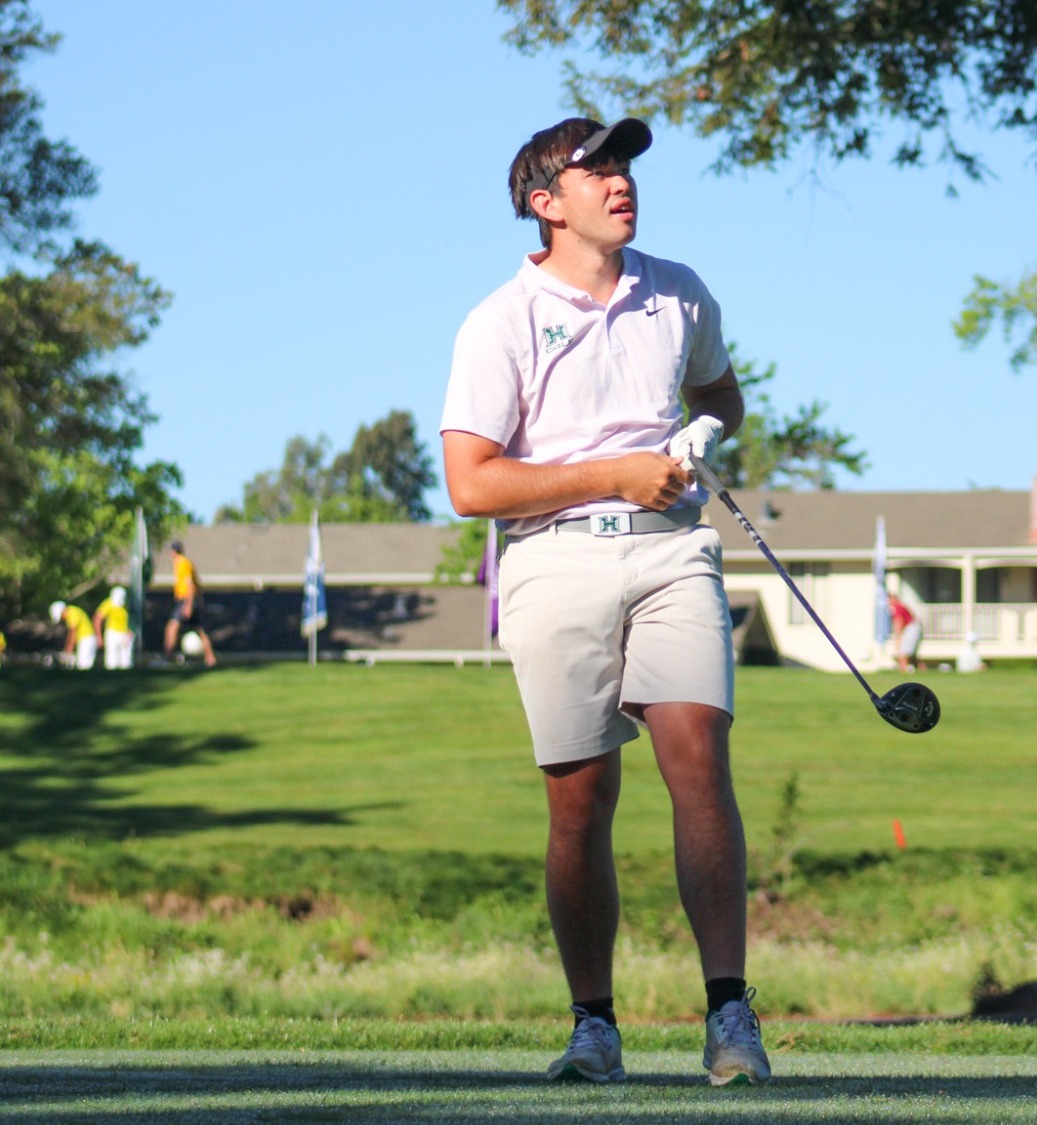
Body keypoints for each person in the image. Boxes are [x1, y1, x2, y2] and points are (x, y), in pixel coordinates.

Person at [439, 116, 767, 1087]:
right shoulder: (497, 320)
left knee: (697, 753)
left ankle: (728, 1015)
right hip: (552, 563)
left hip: (673, 552)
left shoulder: (678, 292)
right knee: (579, 802)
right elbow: (472, 484)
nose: (620, 180)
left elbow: (721, 396)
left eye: (624, 165)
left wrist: (700, 437)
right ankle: (594, 1025)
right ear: (545, 204)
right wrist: (615, 474)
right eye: (596, 170)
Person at [162, 540, 217, 667]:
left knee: (171, 628)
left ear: (174, 551)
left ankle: (167, 657)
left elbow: (190, 584)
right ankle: (210, 659)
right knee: (200, 631)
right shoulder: (181, 562)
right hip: (191, 599)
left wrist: (188, 605)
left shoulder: (182, 563)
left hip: (187, 599)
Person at [94, 587, 135, 670]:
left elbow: (131, 621)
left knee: (126, 660)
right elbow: (97, 618)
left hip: (125, 634)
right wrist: (99, 636)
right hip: (112, 633)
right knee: (111, 660)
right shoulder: (108, 603)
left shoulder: (126, 605)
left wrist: (129, 633)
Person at [50, 600, 97, 670]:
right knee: (83, 665)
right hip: (86, 640)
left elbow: (72, 635)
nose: (61, 619)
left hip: (87, 640)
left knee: (83, 666)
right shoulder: (72, 612)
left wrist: (68, 652)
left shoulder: (72, 614)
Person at [889, 593, 922, 673]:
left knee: (903, 654)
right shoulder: (901, 606)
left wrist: (898, 638)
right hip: (912, 628)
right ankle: (921, 669)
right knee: (912, 656)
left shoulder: (897, 607)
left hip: (911, 628)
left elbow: (899, 622)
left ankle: (902, 671)